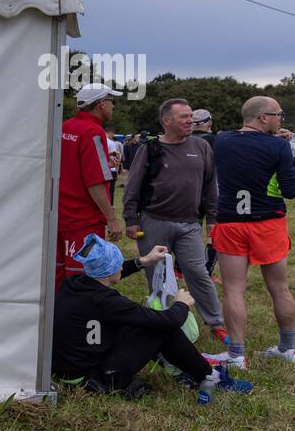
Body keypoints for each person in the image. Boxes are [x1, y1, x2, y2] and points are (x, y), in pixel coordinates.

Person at [52, 234, 250, 398]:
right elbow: (169, 320)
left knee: (136, 326)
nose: (122, 266)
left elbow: (111, 273)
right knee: (161, 330)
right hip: (94, 378)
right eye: (119, 264)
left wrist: (143, 261)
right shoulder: (107, 302)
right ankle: (212, 378)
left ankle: (181, 369)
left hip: (69, 370)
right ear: (110, 269)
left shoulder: (74, 284)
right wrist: (181, 304)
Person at [122, 97, 228, 345]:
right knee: (157, 275)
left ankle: (216, 324)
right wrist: (130, 219)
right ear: (167, 120)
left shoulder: (201, 147)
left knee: (198, 273)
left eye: (191, 116)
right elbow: (132, 187)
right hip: (153, 223)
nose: (190, 120)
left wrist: (213, 218)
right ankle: (164, 322)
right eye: (184, 117)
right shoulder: (149, 149)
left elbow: (211, 186)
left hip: (190, 224)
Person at [207, 96, 295, 368]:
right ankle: (288, 348)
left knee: (234, 290)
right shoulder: (279, 146)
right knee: (279, 288)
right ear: (263, 117)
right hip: (268, 222)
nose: (281, 118)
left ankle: (236, 355)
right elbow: (290, 190)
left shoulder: (221, 140)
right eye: (278, 114)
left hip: (232, 222)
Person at [57, 83, 124, 289]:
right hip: (84, 219)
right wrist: (111, 218)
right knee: (84, 281)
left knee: (58, 276)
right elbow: (94, 181)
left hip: (59, 217)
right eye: (111, 102)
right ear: (101, 103)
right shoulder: (93, 132)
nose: (113, 107)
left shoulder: (64, 126)